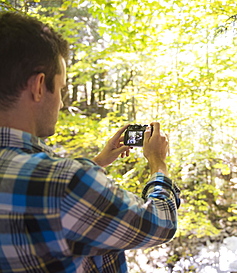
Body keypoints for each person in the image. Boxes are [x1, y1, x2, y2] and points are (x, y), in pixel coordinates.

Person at [0, 11, 180, 272]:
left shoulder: (52, 181)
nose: (61, 102)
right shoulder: (66, 184)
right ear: (39, 86)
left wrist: (97, 162)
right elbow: (161, 224)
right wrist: (158, 163)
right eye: (61, 88)